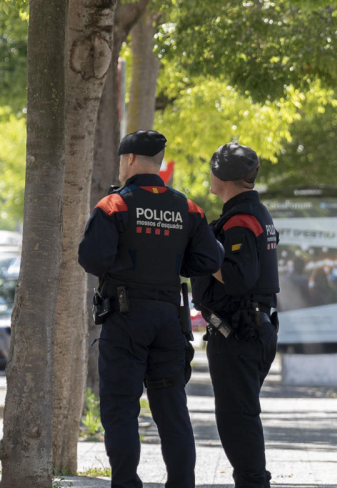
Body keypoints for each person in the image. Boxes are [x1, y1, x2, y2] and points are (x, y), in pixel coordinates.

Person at [78, 129, 222, 488]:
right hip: (169, 320)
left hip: (125, 319)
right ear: (158, 164)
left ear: (128, 160)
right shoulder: (187, 207)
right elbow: (208, 258)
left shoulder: (114, 205)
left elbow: (92, 258)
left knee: (121, 408)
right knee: (172, 408)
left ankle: (127, 483)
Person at [192, 142, 280, 488]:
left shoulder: (241, 219)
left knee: (237, 419)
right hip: (254, 328)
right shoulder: (256, 213)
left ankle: (254, 483)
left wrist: (205, 251)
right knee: (240, 416)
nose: (209, 175)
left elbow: (237, 277)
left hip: (239, 333)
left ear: (222, 175)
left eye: (212, 168)